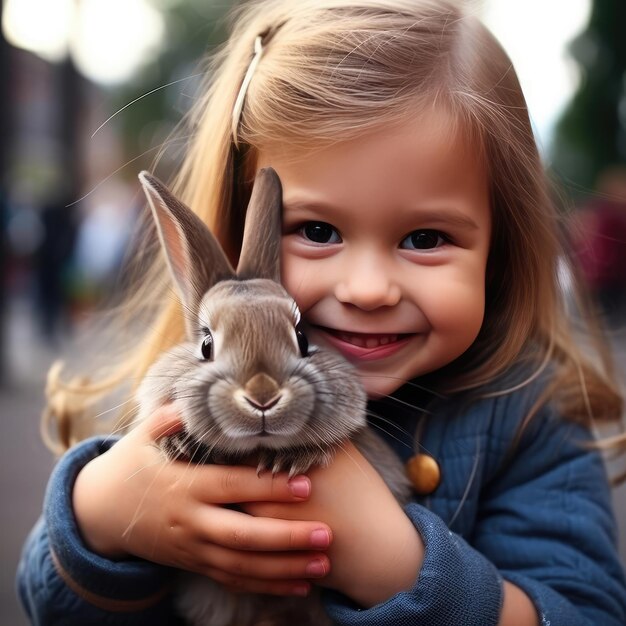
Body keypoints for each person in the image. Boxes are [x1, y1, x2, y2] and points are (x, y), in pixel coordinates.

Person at [16, 1, 626, 624]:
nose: (367, 289)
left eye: (424, 239)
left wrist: (395, 564)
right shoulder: (179, 399)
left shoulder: (533, 417)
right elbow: (48, 604)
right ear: (233, 231)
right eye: (317, 230)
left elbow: (585, 609)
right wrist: (104, 516)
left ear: (500, 248)